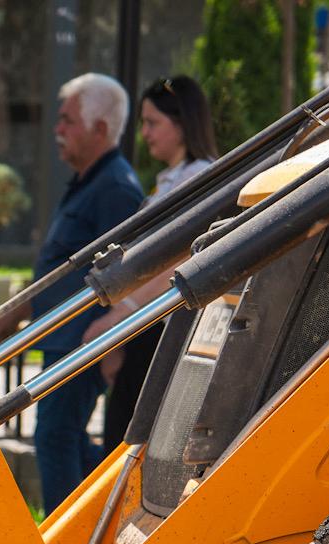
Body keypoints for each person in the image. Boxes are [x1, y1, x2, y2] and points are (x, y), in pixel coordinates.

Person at [0, 73, 144, 512]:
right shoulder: (87, 182)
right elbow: (60, 270)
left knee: (55, 438)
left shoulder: (116, 190)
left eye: (68, 121)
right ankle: (103, 515)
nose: (58, 129)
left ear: (100, 129)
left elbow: (128, 274)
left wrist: (112, 337)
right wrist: (16, 313)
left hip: (81, 343)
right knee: (61, 439)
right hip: (61, 340)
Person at [88, 75, 221, 453]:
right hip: (146, 328)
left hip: (162, 328)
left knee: (127, 444)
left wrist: (121, 316)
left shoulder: (197, 179)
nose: (144, 132)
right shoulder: (171, 179)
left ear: (181, 123)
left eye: (152, 122)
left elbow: (176, 262)